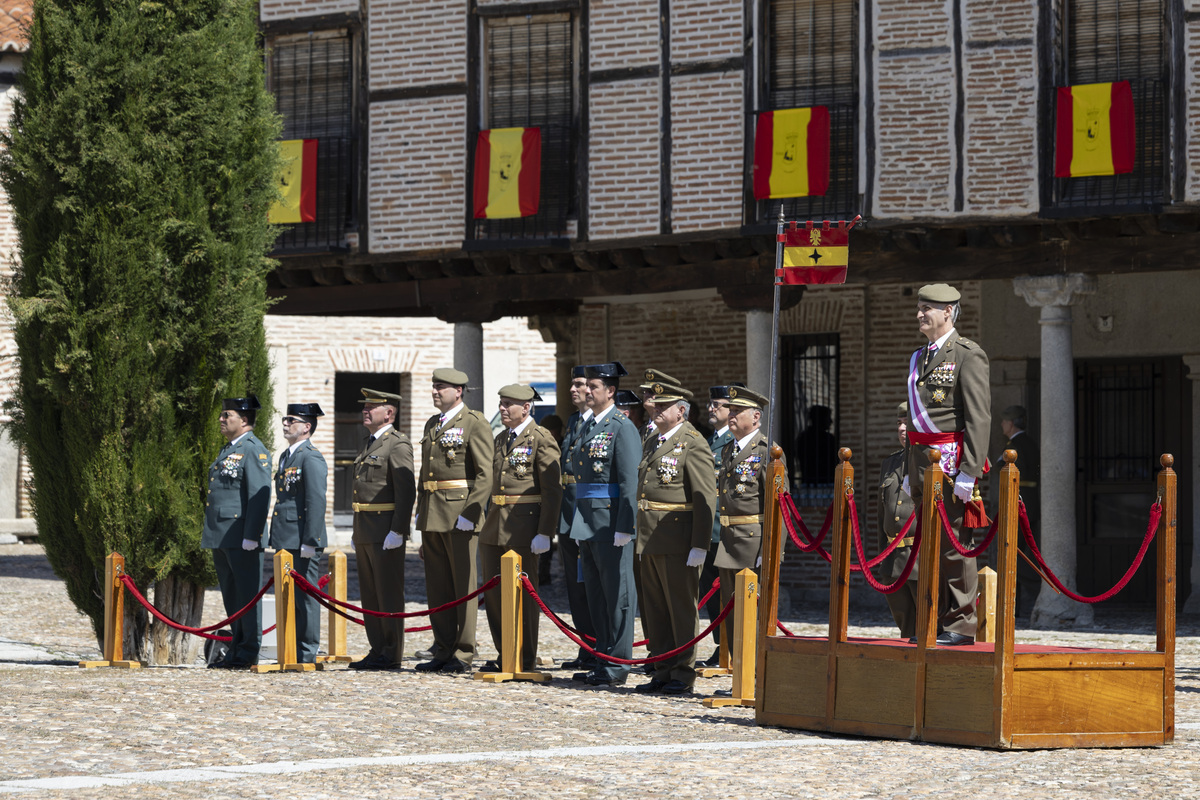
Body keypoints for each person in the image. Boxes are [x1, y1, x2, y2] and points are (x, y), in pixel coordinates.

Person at [905, 283, 990, 646]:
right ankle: (936, 618)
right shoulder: (918, 357)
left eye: (928, 308)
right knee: (928, 548)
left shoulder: (969, 355)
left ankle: (961, 624)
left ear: (949, 312)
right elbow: (914, 419)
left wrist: (969, 473)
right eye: (920, 307)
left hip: (953, 464)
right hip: (923, 466)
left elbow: (979, 418)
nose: (920, 314)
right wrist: (911, 472)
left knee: (956, 547)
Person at [634, 376, 717, 696]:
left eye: (663, 405)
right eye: (655, 404)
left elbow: (705, 498)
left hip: (678, 541)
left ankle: (683, 671)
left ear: (681, 411)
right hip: (650, 537)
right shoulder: (653, 439)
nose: (655, 409)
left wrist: (699, 544)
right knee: (655, 608)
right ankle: (663, 667)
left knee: (680, 608)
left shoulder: (693, 443)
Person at [479, 384, 563, 672]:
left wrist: (545, 531)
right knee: (494, 594)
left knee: (524, 594)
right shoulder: (501, 437)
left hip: (525, 527)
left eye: (508, 404)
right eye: (501, 403)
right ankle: (506, 653)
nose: (502, 408)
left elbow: (552, 490)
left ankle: (524, 657)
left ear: (526, 408)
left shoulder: (541, 438)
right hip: (495, 525)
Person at [415, 368, 492, 673]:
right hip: (433, 512)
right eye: (434, 386)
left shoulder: (474, 422)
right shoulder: (433, 423)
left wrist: (471, 513)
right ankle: (443, 648)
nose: (435, 391)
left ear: (458, 391)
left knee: (463, 586)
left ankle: (463, 651)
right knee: (438, 587)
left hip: (460, 513)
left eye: (441, 387)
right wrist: (420, 514)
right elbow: (426, 475)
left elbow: (486, 473)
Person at [568, 361, 641, 686]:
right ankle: (602, 658)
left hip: (612, 524)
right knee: (596, 596)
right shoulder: (587, 425)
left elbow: (628, 482)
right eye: (587, 386)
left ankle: (617, 664)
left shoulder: (621, 426)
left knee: (618, 596)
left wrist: (626, 525)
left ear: (610, 391)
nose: (587, 391)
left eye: (593, 387)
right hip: (588, 522)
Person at [202, 396, 271, 670]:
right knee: (232, 596)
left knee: (247, 596)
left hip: (242, 536)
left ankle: (247, 651)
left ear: (243, 420)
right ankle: (235, 649)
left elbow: (258, 494)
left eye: (226, 414)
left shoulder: (253, 449)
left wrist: (252, 535)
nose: (221, 418)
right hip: (223, 534)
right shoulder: (229, 448)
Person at [349, 388, 416, 671]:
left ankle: (391, 651)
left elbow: (406, 491)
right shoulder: (369, 443)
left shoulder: (397, 444)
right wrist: (355, 531)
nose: (365, 410)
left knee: (387, 592)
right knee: (370, 594)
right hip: (365, 528)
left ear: (388, 413)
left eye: (372, 407)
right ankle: (377, 647)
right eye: (365, 406)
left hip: (385, 529)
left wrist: (398, 530)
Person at [713, 386, 776, 663]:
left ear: (757, 416)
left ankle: (757, 673)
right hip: (728, 539)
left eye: (738, 411)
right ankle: (740, 673)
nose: (732, 415)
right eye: (732, 410)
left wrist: (772, 550)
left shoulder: (767, 452)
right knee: (732, 612)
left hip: (753, 542)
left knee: (754, 614)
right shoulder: (728, 449)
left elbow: (777, 506)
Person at [268, 403, 328, 664]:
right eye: (284, 419)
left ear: (306, 427)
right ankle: (291, 648)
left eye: (291, 420)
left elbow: (316, 500)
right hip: (286, 536)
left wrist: (310, 540)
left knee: (306, 597)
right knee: (288, 596)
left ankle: (307, 652)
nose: (285, 424)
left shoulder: (310, 456)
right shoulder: (286, 456)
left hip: (302, 538)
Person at [556, 365, 595, 671]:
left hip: (590, 513)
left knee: (593, 584)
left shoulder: (602, 424)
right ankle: (585, 644)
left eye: (580, 384)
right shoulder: (573, 421)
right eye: (573, 384)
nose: (573, 389)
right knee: (575, 585)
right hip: (569, 512)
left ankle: (599, 645)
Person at [699, 385, 737, 667]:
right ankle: (720, 643)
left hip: (730, 530)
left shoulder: (736, 444)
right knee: (710, 591)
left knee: (731, 591)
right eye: (712, 404)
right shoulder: (709, 442)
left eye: (719, 405)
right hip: (709, 529)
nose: (713, 409)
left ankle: (736, 644)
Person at [992, 404, 1040, 617]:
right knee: (1014, 554)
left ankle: (1025, 597)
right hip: (1024, 505)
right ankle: (1015, 605)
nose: (1002, 425)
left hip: (1018, 506)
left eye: (1004, 421)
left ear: (1011, 423)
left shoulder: (1016, 447)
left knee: (1014, 555)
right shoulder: (1022, 443)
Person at [879, 402, 918, 639]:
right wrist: (882, 554)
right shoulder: (890, 463)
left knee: (925, 624)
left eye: (907, 423)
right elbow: (880, 513)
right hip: (893, 558)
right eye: (899, 424)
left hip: (919, 555)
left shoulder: (935, 461)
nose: (902, 429)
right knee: (905, 625)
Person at [795, 404, 837, 485]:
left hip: (808, 483)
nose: (831, 421)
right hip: (826, 483)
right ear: (820, 419)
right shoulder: (829, 439)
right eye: (828, 417)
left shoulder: (803, 437)